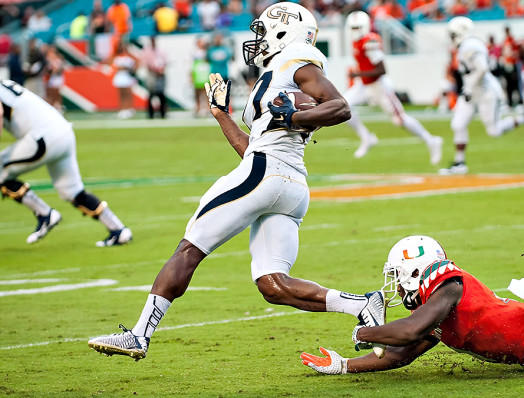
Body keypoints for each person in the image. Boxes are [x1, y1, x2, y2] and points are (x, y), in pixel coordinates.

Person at [87, 2, 386, 361]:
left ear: (284, 30)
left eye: (263, 31)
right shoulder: (281, 70)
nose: (258, 39)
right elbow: (252, 146)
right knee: (273, 285)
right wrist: (221, 115)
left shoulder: (297, 61)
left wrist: (291, 117)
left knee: (189, 249)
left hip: (267, 172)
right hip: (288, 184)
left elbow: (340, 106)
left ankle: (138, 335)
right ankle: (363, 304)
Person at [301, 183, 524, 374]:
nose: (394, 282)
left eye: (397, 273)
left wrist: (365, 333)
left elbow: (408, 331)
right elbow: (399, 354)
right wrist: (343, 365)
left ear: (417, 270)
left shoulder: (447, 285)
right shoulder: (435, 307)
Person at [0, 79, 132, 246]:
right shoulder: (5, 83)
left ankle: (44, 214)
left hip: (43, 136)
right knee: (72, 190)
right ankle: (119, 230)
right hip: (63, 131)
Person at [440, 16, 524, 175]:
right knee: (458, 124)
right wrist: (468, 88)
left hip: (486, 92)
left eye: (453, 34)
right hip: (471, 92)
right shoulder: (464, 47)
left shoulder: (470, 45)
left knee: (494, 131)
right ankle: (460, 163)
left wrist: (469, 87)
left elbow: (483, 68)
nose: (451, 38)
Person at [344, 11, 443, 162]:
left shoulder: (370, 42)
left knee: (400, 120)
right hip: (364, 85)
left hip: (379, 86)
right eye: (353, 28)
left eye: (358, 28)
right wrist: (360, 75)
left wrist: (358, 74)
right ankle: (367, 138)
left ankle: (431, 141)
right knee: (342, 107)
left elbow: (381, 70)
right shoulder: (357, 42)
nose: (355, 31)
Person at [141, 36, 168, 119]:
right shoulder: (146, 51)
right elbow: (146, 63)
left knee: (161, 94)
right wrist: (154, 69)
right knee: (151, 94)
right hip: (152, 75)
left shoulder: (160, 51)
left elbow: (165, 62)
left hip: (160, 75)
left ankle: (162, 113)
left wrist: (161, 70)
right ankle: (151, 113)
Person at [110, 40, 137, 119]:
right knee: (121, 94)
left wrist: (128, 68)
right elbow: (115, 67)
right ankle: (122, 109)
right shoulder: (116, 57)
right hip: (120, 77)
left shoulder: (129, 57)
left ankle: (129, 108)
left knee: (128, 94)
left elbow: (134, 66)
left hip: (127, 77)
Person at [191, 37, 211, 117]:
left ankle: (208, 109)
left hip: (205, 74)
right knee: (197, 93)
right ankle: (198, 108)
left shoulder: (207, 52)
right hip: (198, 74)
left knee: (207, 92)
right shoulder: (194, 52)